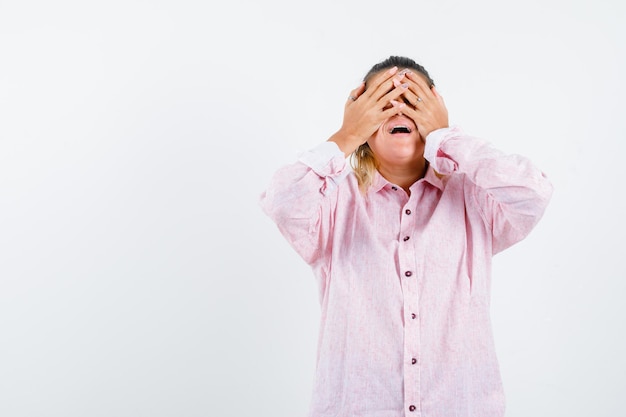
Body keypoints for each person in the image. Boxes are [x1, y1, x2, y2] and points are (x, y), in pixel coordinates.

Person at [259, 55, 553, 417]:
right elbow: (281, 201)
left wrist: (447, 138)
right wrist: (346, 135)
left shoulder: (475, 197)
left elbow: (533, 193)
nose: (398, 112)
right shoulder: (332, 202)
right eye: (382, 104)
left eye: (413, 103)